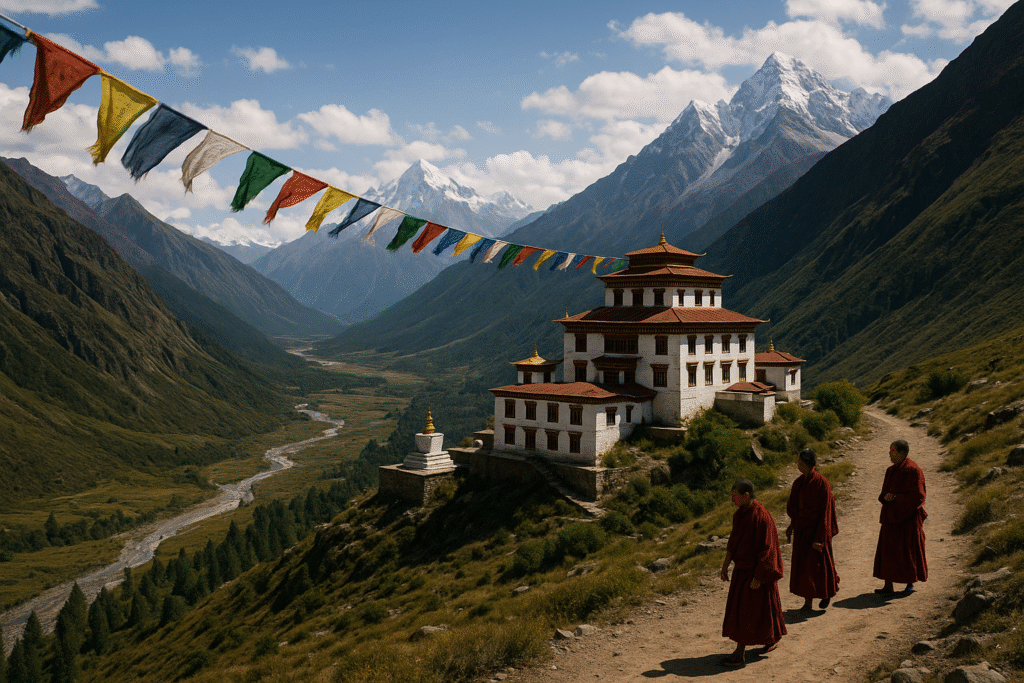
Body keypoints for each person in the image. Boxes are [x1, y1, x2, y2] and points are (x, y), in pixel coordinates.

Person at [720, 479, 787, 667]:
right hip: (741, 571)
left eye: (735, 496)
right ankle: (770, 638)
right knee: (757, 609)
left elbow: (768, 549)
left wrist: (759, 576)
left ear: (746, 496)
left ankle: (740, 652)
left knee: (746, 611)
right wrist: (725, 566)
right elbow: (733, 543)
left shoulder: (761, 516)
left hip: (756, 572)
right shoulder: (739, 515)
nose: (732, 500)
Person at [785, 448, 840, 611]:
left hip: (817, 532)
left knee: (820, 565)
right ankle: (807, 602)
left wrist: (820, 538)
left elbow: (825, 513)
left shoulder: (822, 483)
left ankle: (826, 593)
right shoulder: (798, 482)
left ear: (809, 464)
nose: (798, 466)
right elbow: (793, 508)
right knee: (804, 567)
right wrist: (791, 526)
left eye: (800, 463)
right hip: (802, 532)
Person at [873, 439, 927, 594]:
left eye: (893, 451)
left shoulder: (913, 470)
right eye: (889, 451)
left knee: (907, 551)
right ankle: (888, 586)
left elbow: (919, 496)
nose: (890, 454)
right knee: (888, 550)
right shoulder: (891, 470)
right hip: (891, 517)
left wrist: (896, 498)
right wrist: (886, 497)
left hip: (907, 518)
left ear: (902, 453)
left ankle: (909, 584)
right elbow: (883, 493)